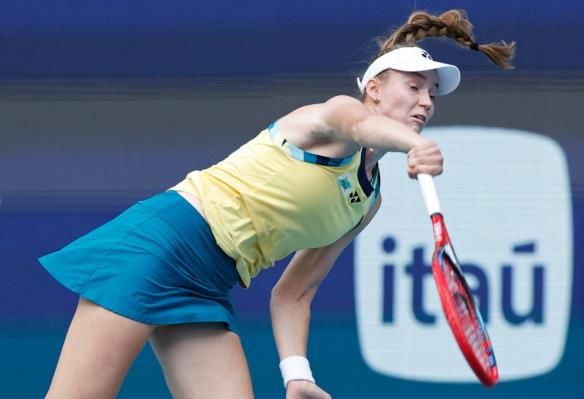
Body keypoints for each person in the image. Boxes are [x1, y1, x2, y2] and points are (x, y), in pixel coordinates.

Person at [39, 9, 514, 399]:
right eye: (413, 87)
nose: (426, 102)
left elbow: (293, 295)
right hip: (160, 246)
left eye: (432, 94)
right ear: (373, 88)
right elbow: (361, 128)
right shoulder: (330, 118)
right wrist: (413, 147)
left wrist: (296, 374)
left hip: (207, 284)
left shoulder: (367, 201)